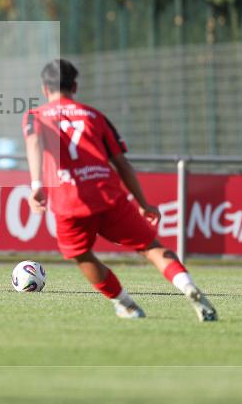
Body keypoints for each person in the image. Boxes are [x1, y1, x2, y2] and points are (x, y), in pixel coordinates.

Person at [23, 59, 217, 321]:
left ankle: (126, 305)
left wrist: (36, 185)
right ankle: (188, 286)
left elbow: (34, 142)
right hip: (108, 194)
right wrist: (143, 204)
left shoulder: (35, 115)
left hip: (70, 201)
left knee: (82, 255)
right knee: (150, 247)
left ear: (45, 89)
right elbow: (122, 164)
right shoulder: (95, 116)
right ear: (75, 86)